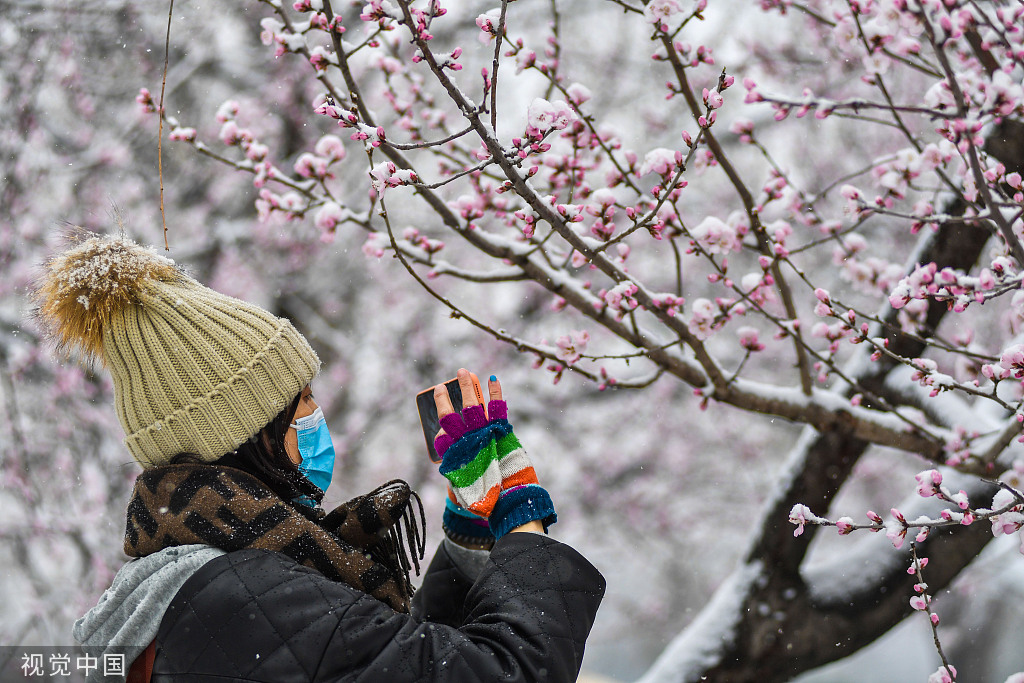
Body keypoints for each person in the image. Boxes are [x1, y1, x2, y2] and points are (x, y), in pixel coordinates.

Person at [35, 231, 605, 682]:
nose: (317, 417)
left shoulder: (180, 585)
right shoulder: (246, 597)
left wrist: (468, 537)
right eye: (301, 401)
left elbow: (390, 662)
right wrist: (519, 520)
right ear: (246, 432)